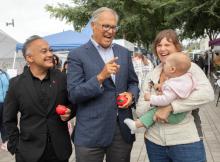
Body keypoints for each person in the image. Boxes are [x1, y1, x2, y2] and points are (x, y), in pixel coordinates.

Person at [67, 7, 139, 162]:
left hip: (121, 130)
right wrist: (100, 77)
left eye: (114, 27)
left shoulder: (124, 53)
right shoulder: (77, 55)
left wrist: (131, 95)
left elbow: (133, 82)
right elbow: (74, 94)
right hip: (90, 133)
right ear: (93, 26)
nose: (110, 31)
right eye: (106, 26)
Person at [136, 29, 214, 162]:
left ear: (177, 47)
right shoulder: (151, 75)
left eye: (167, 45)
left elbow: (207, 94)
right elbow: (139, 110)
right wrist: (155, 105)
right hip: (154, 142)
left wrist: (170, 106)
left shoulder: (190, 69)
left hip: (185, 142)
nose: (162, 49)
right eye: (159, 45)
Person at [3, 35, 75, 162]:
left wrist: (70, 111)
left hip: (59, 151)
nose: (50, 54)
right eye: (44, 51)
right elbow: (8, 119)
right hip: (28, 152)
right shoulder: (16, 84)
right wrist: (15, 146)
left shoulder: (62, 78)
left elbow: (74, 103)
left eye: (50, 50)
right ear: (29, 58)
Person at [124, 52, 196, 133]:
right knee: (154, 113)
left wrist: (151, 98)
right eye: (159, 45)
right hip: (176, 118)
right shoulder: (184, 79)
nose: (163, 66)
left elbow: (165, 100)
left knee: (153, 111)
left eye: (165, 65)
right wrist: (161, 87)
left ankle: (136, 125)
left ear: (172, 69)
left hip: (175, 117)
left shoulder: (173, 84)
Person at [0, 69, 9, 151]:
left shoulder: (4, 73)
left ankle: (5, 141)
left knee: (4, 122)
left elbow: (9, 87)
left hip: (5, 102)